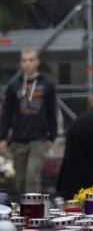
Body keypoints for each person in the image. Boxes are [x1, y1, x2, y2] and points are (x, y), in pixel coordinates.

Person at [0, 49, 58, 195]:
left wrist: (52, 135)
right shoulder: (13, 86)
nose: (28, 64)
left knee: (32, 176)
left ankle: (33, 212)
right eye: (25, 60)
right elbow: (7, 113)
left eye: (31, 60)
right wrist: (3, 137)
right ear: (21, 63)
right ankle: (23, 210)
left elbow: (52, 111)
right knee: (20, 180)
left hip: (38, 138)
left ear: (37, 62)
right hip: (19, 139)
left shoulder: (47, 84)